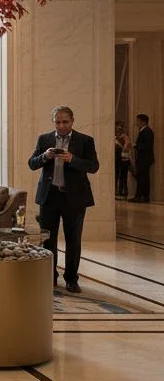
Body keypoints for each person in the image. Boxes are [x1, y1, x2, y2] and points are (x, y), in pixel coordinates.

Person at [28, 105, 98, 293]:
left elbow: (93, 166)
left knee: (73, 239)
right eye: (57, 122)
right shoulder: (45, 139)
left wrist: (72, 159)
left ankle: (72, 279)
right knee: (48, 240)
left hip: (74, 198)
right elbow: (32, 164)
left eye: (65, 122)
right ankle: (50, 277)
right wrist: (45, 156)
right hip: (49, 197)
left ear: (72, 121)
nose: (61, 126)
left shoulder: (85, 141)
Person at [132, 114, 155, 202]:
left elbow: (147, 145)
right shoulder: (143, 131)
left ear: (143, 121)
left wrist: (136, 145)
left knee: (143, 178)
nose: (136, 122)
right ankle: (140, 196)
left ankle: (142, 197)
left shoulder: (147, 131)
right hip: (143, 159)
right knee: (141, 178)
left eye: (138, 120)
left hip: (145, 159)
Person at [114, 121, 132, 198]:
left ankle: (124, 192)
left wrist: (119, 144)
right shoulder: (114, 135)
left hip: (124, 158)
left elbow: (125, 148)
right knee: (116, 175)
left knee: (123, 176)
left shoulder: (125, 136)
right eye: (118, 126)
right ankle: (116, 191)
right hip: (116, 158)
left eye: (121, 126)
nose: (119, 127)